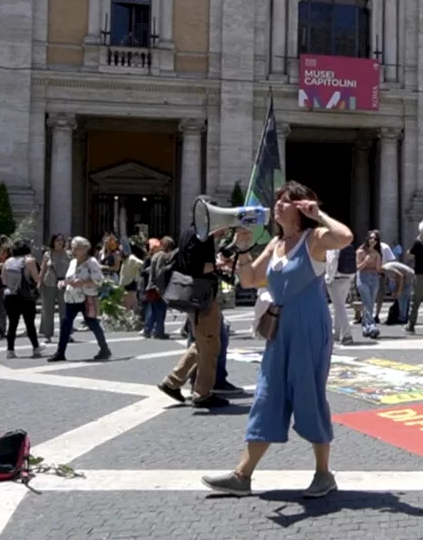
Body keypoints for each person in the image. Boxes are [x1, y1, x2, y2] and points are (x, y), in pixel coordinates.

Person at [202, 181, 352, 497]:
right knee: (267, 395)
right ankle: (243, 475)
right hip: (280, 328)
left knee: (308, 396)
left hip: (310, 327)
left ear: (300, 208)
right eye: (278, 201)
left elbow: (346, 237)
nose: (277, 206)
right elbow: (250, 279)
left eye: (285, 201)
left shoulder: (314, 239)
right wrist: (243, 248)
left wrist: (319, 214)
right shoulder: (275, 243)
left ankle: (324, 474)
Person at [158, 223, 227, 407]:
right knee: (210, 345)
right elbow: (198, 267)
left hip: (195, 294)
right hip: (202, 295)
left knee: (202, 342)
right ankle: (202, 393)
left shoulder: (189, 231)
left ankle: (172, 381)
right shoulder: (202, 235)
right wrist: (218, 265)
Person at [48, 237, 112, 362]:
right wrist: (63, 283)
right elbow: (69, 278)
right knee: (65, 322)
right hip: (71, 298)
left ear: (85, 248)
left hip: (86, 298)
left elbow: (100, 280)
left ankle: (104, 349)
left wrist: (82, 282)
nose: (73, 250)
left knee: (92, 323)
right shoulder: (72, 262)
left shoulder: (91, 262)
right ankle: (60, 352)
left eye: (76, 248)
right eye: (72, 247)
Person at [1, 239, 43, 359]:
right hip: (25, 296)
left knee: (12, 323)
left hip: (10, 295)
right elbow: (36, 278)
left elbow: (4, 280)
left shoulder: (7, 261)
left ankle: (10, 350)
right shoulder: (29, 260)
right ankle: (35, 348)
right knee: (29, 323)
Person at [40, 234, 70, 343]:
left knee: (65, 310)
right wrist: (39, 282)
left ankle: (66, 333)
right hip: (49, 283)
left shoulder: (68, 254)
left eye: (62, 240)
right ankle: (47, 334)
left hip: (64, 283)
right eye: (57, 240)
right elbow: (43, 269)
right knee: (48, 310)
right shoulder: (47, 254)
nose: (60, 242)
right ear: (53, 242)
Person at [325, 241, 356, 344]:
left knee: (339, 308)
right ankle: (337, 333)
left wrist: (329, 278)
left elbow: (331, 263)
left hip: (336, 279)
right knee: (339, 307)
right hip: (347, 278)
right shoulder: (348, 246)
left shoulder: (333, 247)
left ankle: (347, 335)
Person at [355, 230, 384, 339]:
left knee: (371, 302)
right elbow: (357, 267)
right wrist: (366, 261)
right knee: (367, 303)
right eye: (371, 238)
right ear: (367, 239)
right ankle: (372, 325)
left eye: (375, 239)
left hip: (374, 277)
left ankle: (365, 326)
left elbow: (378, 269)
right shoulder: (360, 252)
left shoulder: (377, 253)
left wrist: (377, 259)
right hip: (363, 278)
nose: (373, 241)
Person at [143, 236, 173, 339]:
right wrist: (161, 288)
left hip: (150, 286)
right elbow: (160, 272)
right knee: (160, 311)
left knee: (152, 310)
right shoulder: (162, 255)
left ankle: (147, 330)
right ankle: (159, 332)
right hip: (157, 287)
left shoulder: (155, 255)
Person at [381, 258, 414, 326]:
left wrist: (398, 291)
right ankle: (405, 316)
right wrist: (396, 290)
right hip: (407, 277)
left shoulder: (387, 269)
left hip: (408, 277)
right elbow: (397, 279)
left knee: (403, 298)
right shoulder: (386, 270)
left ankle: (402, 318)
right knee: (404, 298)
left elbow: (400, 276)